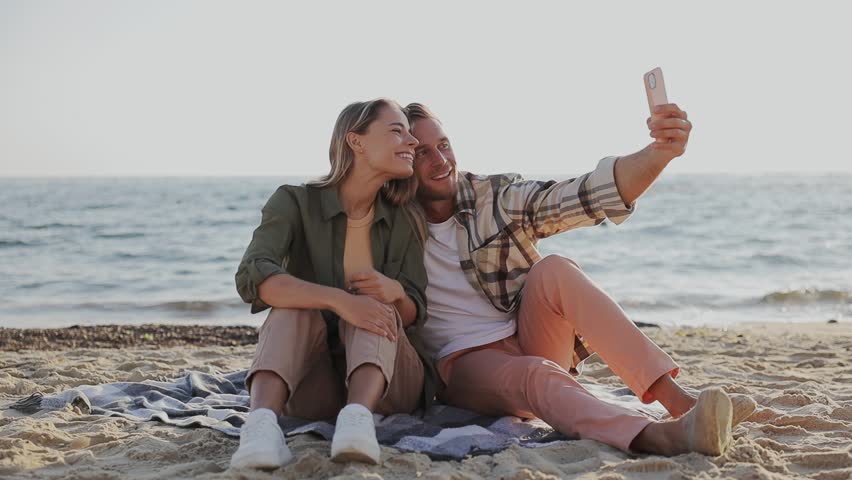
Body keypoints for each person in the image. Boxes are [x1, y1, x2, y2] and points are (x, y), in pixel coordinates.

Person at [403, 102, 756, 457]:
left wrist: (660, 153)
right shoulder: (389, 223)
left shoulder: (490, 197)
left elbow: (585, 194)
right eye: (422, 152)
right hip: (462, 367)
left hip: (527, 337)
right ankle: (656, 437)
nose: (441, 160)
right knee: (534, 373)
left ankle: (680, 403)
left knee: (554, 269)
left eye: (444, 145)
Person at [230, 98, 436, 469]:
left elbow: (413, 312)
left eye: (410, 133)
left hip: (389, 386)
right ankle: (260, 426)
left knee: (376, 307)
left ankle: (357, 420)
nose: (412, 142)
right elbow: (254, 275)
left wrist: (397, 294)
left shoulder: (405, 219)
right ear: (355, 141)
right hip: (314, 388)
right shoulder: (293, 202)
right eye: (397, 131)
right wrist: (340, 301)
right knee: (293, 305)